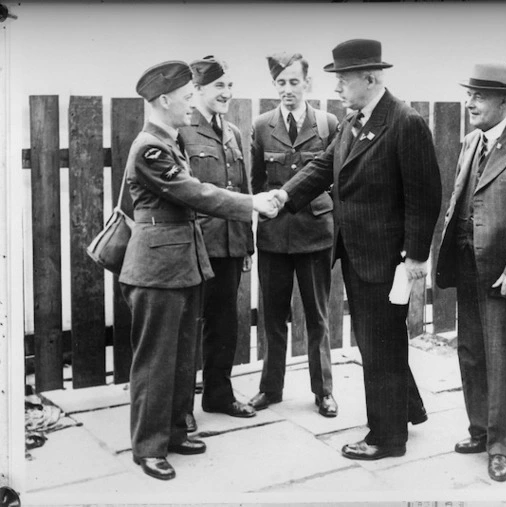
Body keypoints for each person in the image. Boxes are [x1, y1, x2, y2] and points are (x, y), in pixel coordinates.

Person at [271, 39, 440, 460]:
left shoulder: (404, 122)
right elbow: (322, 166)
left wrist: (416, 257)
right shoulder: (354, 121)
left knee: (380, 344)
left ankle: (386, 438)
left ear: (371, 77)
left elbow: (425, 195)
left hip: (386, 258)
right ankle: (405, 410)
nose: (337, 88)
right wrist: (281, 197)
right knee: (379, 341)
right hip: (358, 253)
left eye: (343, 79)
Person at [120, 60, 277, 481]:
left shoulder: (167, 141)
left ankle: (173, 432)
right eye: (187, 98)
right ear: (165, 100)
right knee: (155, 361)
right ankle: (148, 447)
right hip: (156, 268)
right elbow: (193, 191)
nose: (191, 105)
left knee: (179, 356)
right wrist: (251, 204)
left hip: (181, 264)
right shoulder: (150, 147)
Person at [434, 63, 506, 482]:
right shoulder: (470, 141)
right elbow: (457, 200)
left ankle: (502, 447)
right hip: (467, 262)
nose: (470, 103)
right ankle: (480, 431)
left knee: (503, 357)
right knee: (471, 352)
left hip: (505, 271)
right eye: (469, 94)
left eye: (479, 96)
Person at [248, 52, 339, 417]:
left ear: (308, 84)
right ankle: (270, 388)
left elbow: (336, 179)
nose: (288, 90)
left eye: (294, 82)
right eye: (281, 83)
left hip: (315, 232)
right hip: (273, 237)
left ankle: (324, 391)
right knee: (272, 316)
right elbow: (255, 184)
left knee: (317, 316)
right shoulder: (261, 125)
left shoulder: (328, 123)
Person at [179, 56, 256, 427]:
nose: (227, 93)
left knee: (225, 322)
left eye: (229, 86)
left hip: (229, 245)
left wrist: (248, 245)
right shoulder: (182, 128)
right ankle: (181, 409)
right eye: (218, 87)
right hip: (195, 246)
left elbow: (242, 189)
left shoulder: (233, 132)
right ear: (197, 90)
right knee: (187, 325)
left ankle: (218, 395)